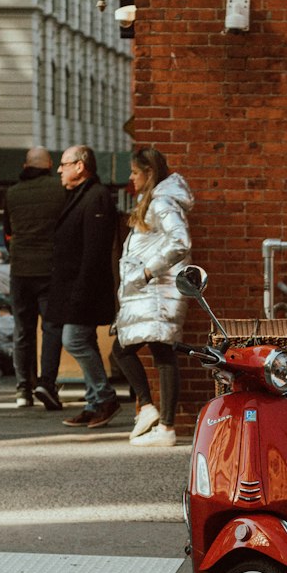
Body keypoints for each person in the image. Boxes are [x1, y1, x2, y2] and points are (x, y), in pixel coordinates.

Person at [112, 146, 193, 449]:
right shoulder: (154, 201)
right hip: (149, 290)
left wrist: (147, 272)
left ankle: (165, 425)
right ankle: (150, 412)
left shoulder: (161, 202)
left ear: (149, 172)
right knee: (129, 348)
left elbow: (180, 241)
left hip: (158, 289)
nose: (130, 178)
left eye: (134, 172)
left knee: (159, 352)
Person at [48, 145, 120, 429]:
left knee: (74, 340)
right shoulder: (80, 195)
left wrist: (80, 293)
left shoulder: (96, 197)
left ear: (80, 166)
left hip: (85, 290)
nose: (59, 169)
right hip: (75, 289)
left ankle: (105, 396)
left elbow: (94, 252)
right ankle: (93, 403)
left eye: (64, 164)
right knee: (84, 340)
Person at [3, 146, 67, 410]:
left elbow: (7, 231)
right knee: (51, 328)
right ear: (49, 164)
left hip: (20, 270)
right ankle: (46, 383)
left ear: (25, 165)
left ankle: (22, 389)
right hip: (50, 269)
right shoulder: (60, 190)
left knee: (22, 331)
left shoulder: (11, 193)